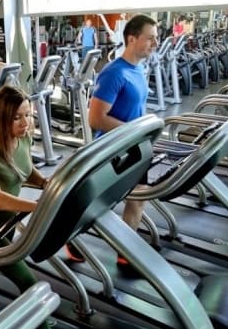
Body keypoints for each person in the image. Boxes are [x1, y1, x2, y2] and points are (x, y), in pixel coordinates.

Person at [0, 85, 81, 329]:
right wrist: (38, 206)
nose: (25, 122)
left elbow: (25, 171)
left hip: (8, 222)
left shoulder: (24, 140)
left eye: (28, 115)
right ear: (2, 118)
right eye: (17, 117)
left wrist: (45, 184)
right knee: (28, 281)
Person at [64, 14, 158, 272]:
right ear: (132, 39)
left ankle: (125, 254)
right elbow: (95, 119)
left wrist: (143, 131)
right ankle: (71, 238)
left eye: (156, 38)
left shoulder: (138, 70)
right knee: (98, 204)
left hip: (135, 145)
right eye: (150, 38)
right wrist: (133, 132)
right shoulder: (114, 73)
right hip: (114, 150)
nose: (155, 43)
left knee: (138, 198)